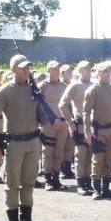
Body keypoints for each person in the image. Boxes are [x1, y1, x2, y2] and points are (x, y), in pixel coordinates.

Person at [0, 54, 44, 221]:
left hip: (33, 142)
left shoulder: (34, 90)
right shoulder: (4, 91)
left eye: (28, 67)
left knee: (29, 183)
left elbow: (41, 113)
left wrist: (50, 121)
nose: (26, 70)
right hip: (14, 143)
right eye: (22, 67)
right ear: (13, 69)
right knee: (12, 183)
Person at [83, 62, 111, 200]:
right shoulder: (93, 90)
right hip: (99, 130)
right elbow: (86, 112)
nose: (108, 73)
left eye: (109, 71)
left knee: (110, 159)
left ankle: (106, 189)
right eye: (105, 71)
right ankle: (96, 189)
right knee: (98, 159)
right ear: (98, 73)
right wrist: (87, 131)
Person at [59, 61, 94, 195]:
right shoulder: (75, 86)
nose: (89, 71)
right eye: (85, 69)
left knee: (91, 156)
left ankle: (89, 182)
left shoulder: (95, 85)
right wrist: (70, 122)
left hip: (93, 125)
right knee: (81, 155)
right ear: (79, 71)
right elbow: (62, 104)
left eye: (90, 69)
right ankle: (81, 184)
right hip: (79, 125)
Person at [38, 61, 70, 190]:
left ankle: (56, 179)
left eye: (58, 69)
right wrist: (45, 120)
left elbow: (68, 105)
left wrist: (68, 120)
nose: (57, 71)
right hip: (48, 124)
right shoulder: (43, 86)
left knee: (59, 152)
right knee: (48, 152)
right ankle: (48, 179)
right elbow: (38, 106)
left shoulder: (65, 86)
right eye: (54, 69)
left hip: (62, 123)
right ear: (49, 70)